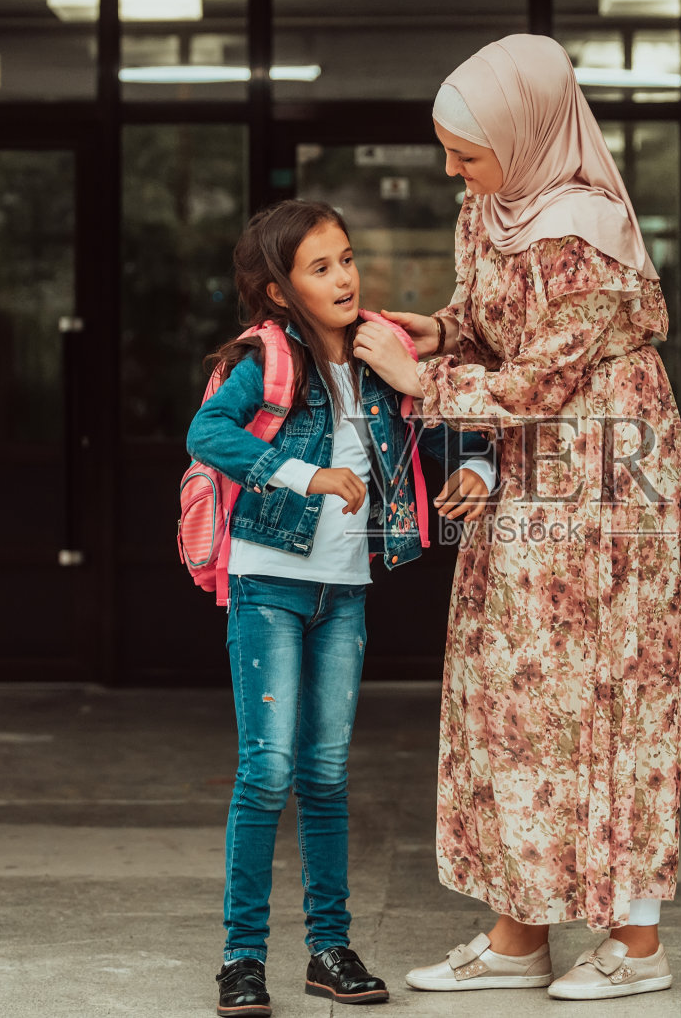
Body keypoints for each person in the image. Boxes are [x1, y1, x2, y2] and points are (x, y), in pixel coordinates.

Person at [351, 34, 681, 1002]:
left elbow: (543, 373)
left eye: (468, 152)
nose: (453, 171)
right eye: (450, 150)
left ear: (528, 131)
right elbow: (492, 322)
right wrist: (441, 329)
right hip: (528, 463)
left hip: (605, 476)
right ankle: (517, 934)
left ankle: (634, 944)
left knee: (609, 690)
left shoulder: (582, 230)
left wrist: (420, 378)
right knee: (512, 690)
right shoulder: (494, 209)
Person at [187, 199, 495, 1017]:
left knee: (324, 776)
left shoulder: (377, 352)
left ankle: (329, 949)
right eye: (321, 267)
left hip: (344, 590)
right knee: (267, 775)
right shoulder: (268, 358)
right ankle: (240, 962)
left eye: (348, 259)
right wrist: (305, 475)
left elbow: (436, 424)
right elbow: (207, 433)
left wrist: (478, 471)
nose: (345, 277)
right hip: (268, 585)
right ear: (280, 291)